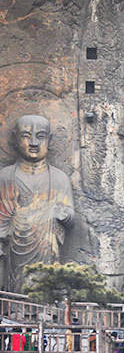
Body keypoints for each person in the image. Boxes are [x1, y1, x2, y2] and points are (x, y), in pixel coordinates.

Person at [0, 115, 75, 291]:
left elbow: (71, 219)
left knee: (46, 283)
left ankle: (47, 308)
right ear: (15, 138)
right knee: (16, 285)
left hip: (47, 249)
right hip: (16, 246)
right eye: (26, 136)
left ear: (49, 140)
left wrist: (62, 214)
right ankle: (14, 308)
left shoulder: (59, 178)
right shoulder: (5, 177)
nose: (33, 143)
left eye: (40, 136)